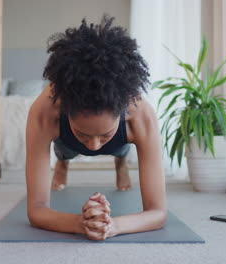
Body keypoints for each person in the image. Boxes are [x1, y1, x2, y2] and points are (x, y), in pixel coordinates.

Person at [25, 15, 166, 241]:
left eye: (105, 134)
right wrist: (80, 224)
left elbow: (158, 213)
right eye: (83, 133)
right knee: (65, 149)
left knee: (118, 148)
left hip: (119, 142)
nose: (93, 146)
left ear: (124, 112)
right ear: (63, 108)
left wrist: (113, 226)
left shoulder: (142, 117)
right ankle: (63, 162)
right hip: (66, 142)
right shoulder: (43, 113)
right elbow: (36, 210)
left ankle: (120, 161)